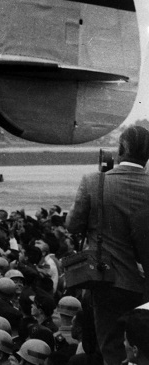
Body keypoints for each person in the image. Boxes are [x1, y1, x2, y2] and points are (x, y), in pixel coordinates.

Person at [66, 124, 149, 365]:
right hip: (143, 284)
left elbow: (72, 225)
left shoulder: (94, 182)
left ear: (121, 149)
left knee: (112, 350)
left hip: (108, 281)